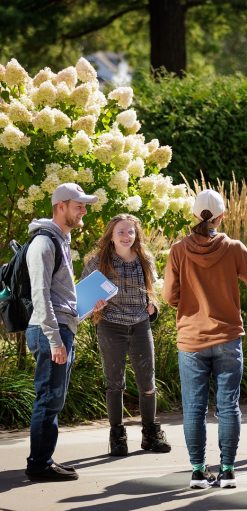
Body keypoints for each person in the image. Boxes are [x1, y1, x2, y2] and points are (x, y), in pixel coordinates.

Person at [163, 189, 247, 489]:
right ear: (222, 217)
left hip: (192, 340)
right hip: (228, 338)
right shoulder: (233, 248)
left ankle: (197, 471)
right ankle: (228, 470)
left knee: (194, 408)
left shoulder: (178, 250)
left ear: (194, 216)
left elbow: (169, 296)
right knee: (228, 406)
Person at [24, 183, 103, 481]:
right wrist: (55, 339)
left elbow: (59, 296)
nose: (83, 209)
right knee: (49, 398)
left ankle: (43, 459)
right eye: (78, 204)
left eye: (84, 204)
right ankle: (39, 464)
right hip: (50, 331)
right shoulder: (44, 243)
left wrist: (83, 309)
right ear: (60, 206)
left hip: (59, 326)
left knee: (53, 398)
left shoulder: (61, 240)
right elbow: (40, 296)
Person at [81, 214, 171, 457]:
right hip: (111, 326)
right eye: (121, 232)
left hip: (140, 325)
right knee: (114, 383)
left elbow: (152, 292)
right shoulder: (99, 261)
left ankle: (151, 434)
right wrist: (94, 305)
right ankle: (117, 436)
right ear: (111, 235)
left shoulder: (145, 259)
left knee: (147, 383)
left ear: (136, 235)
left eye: (130, 232)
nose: (126, 236)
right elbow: (83, 296)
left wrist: (153, 305)